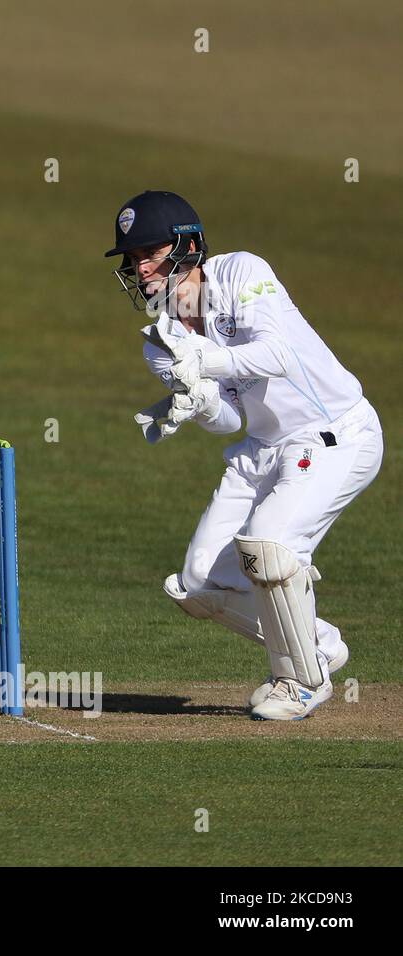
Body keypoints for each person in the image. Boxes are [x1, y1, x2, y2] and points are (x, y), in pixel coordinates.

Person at [107, 190, 383, 720]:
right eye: (131, 259)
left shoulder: (241, 273)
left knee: (271, 547)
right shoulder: (160, 340)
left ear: (188, 247)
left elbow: (276, 355)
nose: (139, 269)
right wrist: (200, 403)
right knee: (197, 585)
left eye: (149, 253)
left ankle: (301, 680)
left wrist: (204, 362)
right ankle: (317, 643)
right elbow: (233, 419)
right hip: (261, 449)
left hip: (333, 432)